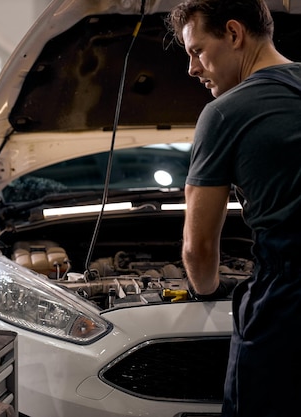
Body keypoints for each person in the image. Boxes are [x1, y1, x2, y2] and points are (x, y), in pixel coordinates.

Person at [166, 1, 301, 416]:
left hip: (286, 306)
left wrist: (207, 289)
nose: (192, 69)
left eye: (196, 51)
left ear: (234, 34)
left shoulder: (224, 113)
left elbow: (198, 248)